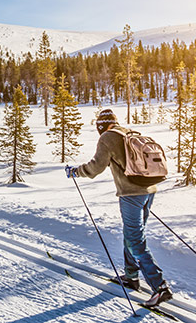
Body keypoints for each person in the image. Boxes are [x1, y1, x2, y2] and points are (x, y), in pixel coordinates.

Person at [65, 108, 172, 308]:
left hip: (132, 194)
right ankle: (131, 276)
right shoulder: (129, 133)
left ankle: (160, 287)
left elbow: (95, 167)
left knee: (134, 238)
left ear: (101, 126)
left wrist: (75, 172)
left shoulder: (107, 137)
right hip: (149, 191)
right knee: (132, 234)